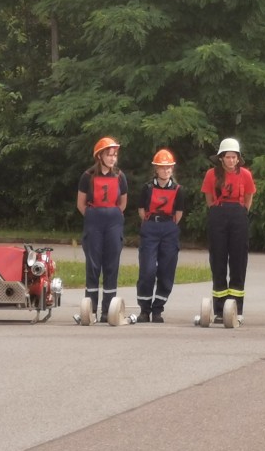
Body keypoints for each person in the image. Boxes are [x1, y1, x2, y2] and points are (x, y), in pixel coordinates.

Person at [201, 138, 256, 324]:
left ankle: (236, 309)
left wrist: (240, 212)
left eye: (234, 157)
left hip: (238, 216)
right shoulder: (211, 175)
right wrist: (217, 212)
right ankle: (219, 309)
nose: (231, 160)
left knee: (238, 261)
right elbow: (209, 199)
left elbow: (248, 198)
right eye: (228, 157)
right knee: (218, 260)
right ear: (221, 158)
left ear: (238, 158)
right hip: (218, 215)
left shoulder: (246, 174)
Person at [76, 137, 128, 323]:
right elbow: (81, 204)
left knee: (111, 264)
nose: (113, 158)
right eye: (109, 155)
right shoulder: (87, 176)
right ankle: (90, 310)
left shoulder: (120, 176)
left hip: (113, 221)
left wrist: (112, 215)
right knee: (93, 265)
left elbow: (123, 202)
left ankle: (108, 310)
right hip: (94, 221)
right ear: (99, 156)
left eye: (115, 155)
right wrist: (93, 216)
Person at [136, 149, 186, 323]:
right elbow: (141, 210)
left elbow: (179, 214)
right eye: (163, 167)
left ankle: (158, 309)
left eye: (169, 167)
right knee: (147, 269)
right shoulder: (147, 188)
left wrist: (168, 226)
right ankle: (144, 309)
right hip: (150, 227)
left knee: (166, 270)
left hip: (169, 229)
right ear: (156, 169)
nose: (166, 170)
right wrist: (151, 223)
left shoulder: (178, 190)